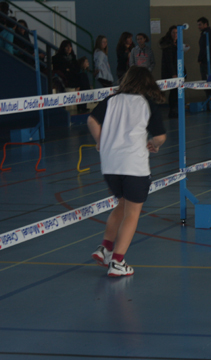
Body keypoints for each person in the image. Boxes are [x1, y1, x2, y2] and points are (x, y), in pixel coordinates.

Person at [89, 66, 167, 277]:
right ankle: (117, 261)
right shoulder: (146, 103)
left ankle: (105, 248)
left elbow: (92, 120)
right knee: (132, 213)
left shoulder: (111, 100)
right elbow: (160, 136)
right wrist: (154, 144)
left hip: (110, 166)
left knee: (122, 205)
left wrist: (100, 142)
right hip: (134, 166)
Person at [160, 25, 179, 118]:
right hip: (170, 72)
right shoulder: (168, 45)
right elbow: (169, 61)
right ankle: (172, 111)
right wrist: (173, 74)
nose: (175, 34)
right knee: (171, 92)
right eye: (173, 33)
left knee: (175, 92)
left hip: (177, 71)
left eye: (177, 33)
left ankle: (173, 110)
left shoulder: (178, 44)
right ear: (170, 33)